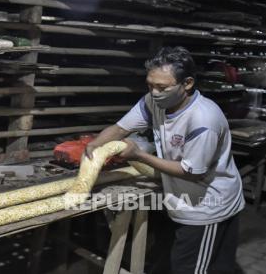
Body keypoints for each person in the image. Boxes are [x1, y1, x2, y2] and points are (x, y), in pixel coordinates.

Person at [85, 46, 244, 274]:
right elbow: (121, 128)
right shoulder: (154, 102)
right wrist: (95, 144)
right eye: (150, 85)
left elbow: (192, 171)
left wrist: (139, 155)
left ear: (187, 84)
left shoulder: (203, 119)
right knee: (170, 261)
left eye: (162, 87)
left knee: (193, 268)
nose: (154, 92)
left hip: (208, 206)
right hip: (181, 199)